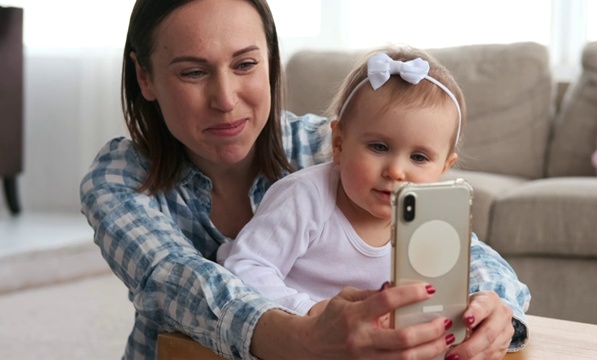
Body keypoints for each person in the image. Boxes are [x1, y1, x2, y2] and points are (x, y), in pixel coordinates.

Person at [79, 0, 529, 359]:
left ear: (271, 63)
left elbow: (467, 254)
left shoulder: (333, 146)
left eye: (245, 65)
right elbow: (174, 280)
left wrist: (492, 305)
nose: (226, 99)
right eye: (193, 72)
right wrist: (307, 329)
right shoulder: (122, 177)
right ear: (145, 76)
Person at [220, 47, 530, 358]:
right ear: (339, 144)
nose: (396, 170)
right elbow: (245, 267)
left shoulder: (429, 221)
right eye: (379, 147)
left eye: (419, 157)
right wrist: (309, 310)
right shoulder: (305, 197)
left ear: (443, 168)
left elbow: (474, 272)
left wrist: (471, 319)